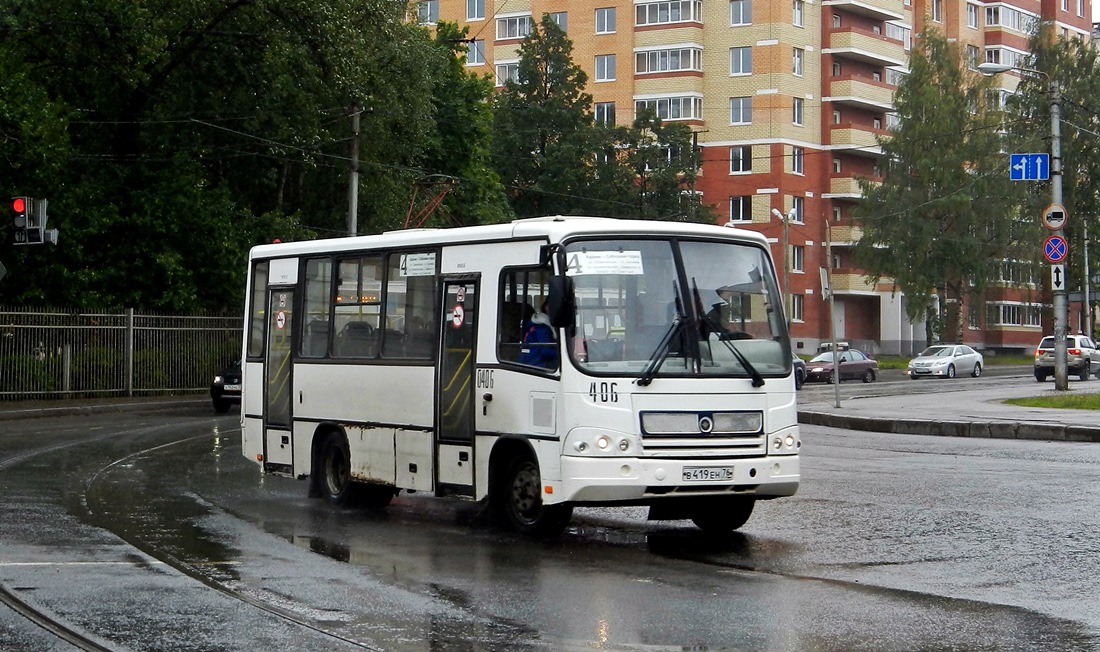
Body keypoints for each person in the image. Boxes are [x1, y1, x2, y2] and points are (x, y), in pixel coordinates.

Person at [518, 302, 559, 369]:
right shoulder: (542, 327)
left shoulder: (537, 324)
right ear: (546, 307)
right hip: (534, 362)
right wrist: (561, 353)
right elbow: (546, 351)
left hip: (529, 360)